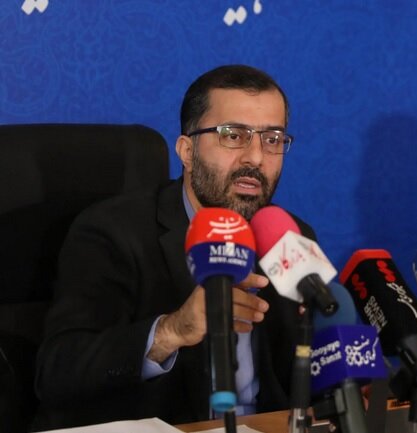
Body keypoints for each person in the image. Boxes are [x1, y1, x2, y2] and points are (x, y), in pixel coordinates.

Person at [32, 65, 316, 430]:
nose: (256, 158)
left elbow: (313, 368)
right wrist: (172, 330)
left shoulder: (289, 237)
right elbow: (58, 371)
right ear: (187, 150)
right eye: (234, 136)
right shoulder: (113, 232)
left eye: (272, 139)